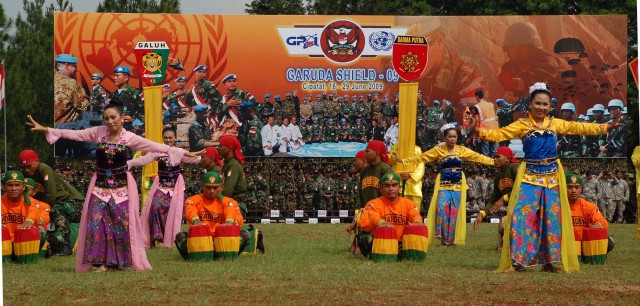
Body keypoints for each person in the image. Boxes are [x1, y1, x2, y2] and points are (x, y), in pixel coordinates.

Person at [26, 102, 203, 272]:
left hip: (121, 189)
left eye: (113, 118)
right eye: (107, 118)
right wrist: (48, 129)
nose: (110, 122)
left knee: (118, 224)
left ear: (122, 117)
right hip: (99, 187)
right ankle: (98, 261)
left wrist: (186, 153)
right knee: (95, 222)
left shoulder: (129, 137)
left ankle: (114, 262)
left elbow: (157, 146)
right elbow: (76, 135)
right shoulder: (99, 133)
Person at [468, 82, 618, 273]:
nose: (541, 107)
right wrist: (477, 130)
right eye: (538, 103)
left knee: (551, 219)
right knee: (521, 217)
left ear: (550, 106)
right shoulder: (521, 125)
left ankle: (549, 262)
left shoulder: (555, 123)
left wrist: (607, 127)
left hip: (553, 178)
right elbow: (498, 133)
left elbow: (580, 127)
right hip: (530, 177)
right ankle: (518, 261)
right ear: (530, 104)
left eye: (545, 104)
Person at [394, 124, 494, 246]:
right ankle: (442, 238)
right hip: (443, 186)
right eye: (450, 137)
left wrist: (494, 162)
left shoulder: (461, 150)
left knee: (453, 213)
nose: (453, 139)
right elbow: (421, 158)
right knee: (441, 210)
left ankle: (449, 241)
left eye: (455, 137)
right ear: (445, 138)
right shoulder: (438, 150)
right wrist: (404, 161)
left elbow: (477, 157)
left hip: (457, 186)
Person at [127, 127, 202, 248]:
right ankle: (157, 238)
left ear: (175, 138)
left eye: (170, 137)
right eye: (166, 137)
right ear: (163, 138)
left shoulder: (179, 151)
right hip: (161, 186)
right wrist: (128, 163)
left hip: (175, 188)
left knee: (172, 213)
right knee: (155, 206)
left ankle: (170, 239)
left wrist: (206, 155)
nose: (168, 140)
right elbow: (142, 160)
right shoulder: (158, 151)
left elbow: (196, 159)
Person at [18, 149, 85, 256]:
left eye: (29, 166)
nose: (26, 169)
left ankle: (66, 245)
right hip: (49, 203)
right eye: (23, 167)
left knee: (56, 209)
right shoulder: (24, 174)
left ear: (37, 161)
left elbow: (51, 196)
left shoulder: (44, 169)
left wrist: (42, 209)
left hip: (69, 202)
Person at [174, 171, 246, 260]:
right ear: (202, 187)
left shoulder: (229, 202)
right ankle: (195, 257)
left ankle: (223, 255)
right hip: (202, 239)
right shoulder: (193, 200)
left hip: (222, 240)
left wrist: (229, 222)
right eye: (208, 187)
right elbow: (190, 211)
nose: (212, 191)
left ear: (221, 188)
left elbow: (234, 215)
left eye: (215, 188)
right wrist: (196, 220)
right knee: (180, 236)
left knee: (244, 235)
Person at [357, 172, 423, 259]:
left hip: (399, 242)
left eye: (394, 185)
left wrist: (417, 222)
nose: (391, 189)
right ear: (381, 189)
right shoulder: (373, 203)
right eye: (387, 186)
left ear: (399, 188)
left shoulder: (408, 204)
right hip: (380, 241)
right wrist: (381, 223)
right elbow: (373, 216)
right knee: (366, 237)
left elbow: (414, 215)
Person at [473, 146, 520, 251]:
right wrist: (482, 214)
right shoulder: (499, 177)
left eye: (498, 157)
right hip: (513, 210)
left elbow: (522, 188)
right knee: (503, 224)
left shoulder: (516, 167)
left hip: (524, 207)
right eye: (494, 157)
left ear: (507, 159)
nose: (495, 159)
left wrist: (504, 198)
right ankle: (505, 244)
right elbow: (494, 199)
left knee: (506, 222)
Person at [213, 74, 257, 141]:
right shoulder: (224, 98)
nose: (232, 83)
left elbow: (255, 102)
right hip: (227, 123)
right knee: (215, 138)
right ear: (224, 85)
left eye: (234, 81)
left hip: (242, 123)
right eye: (229, 81)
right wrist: (227, 104)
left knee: (230, 140)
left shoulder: (243, 93)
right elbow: (218, 112)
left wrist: (243, 105)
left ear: (237, 83)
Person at [1, 171, 40, 242]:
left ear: (24, 187)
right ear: (3, 187)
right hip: (4, 242)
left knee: (37, 229)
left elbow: (34, 212)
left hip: (23, 241)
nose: (14, 189)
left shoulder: (30, 201)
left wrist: (29, 221)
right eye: (10, 185)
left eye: (17, 185)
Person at [54, 54, 89, 125]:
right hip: (65, 130)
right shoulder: (71, 83)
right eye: (74, 66)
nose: (76, 70)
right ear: (67, 66)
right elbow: (85, 106)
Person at [218, 135, 248, 219]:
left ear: (229, 148)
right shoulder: (228, 163)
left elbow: (228, 190)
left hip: (235, 205)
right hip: (230, 203)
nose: (219, 148)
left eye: (221, 146)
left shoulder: (233, 165)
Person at [390, 143, 425, 210]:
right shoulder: (395, 148)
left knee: (414, 214)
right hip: (399, 185)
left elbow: (421, 166)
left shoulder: (417, 149)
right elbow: (392, 161)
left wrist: (410, 175)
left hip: (414, 188)